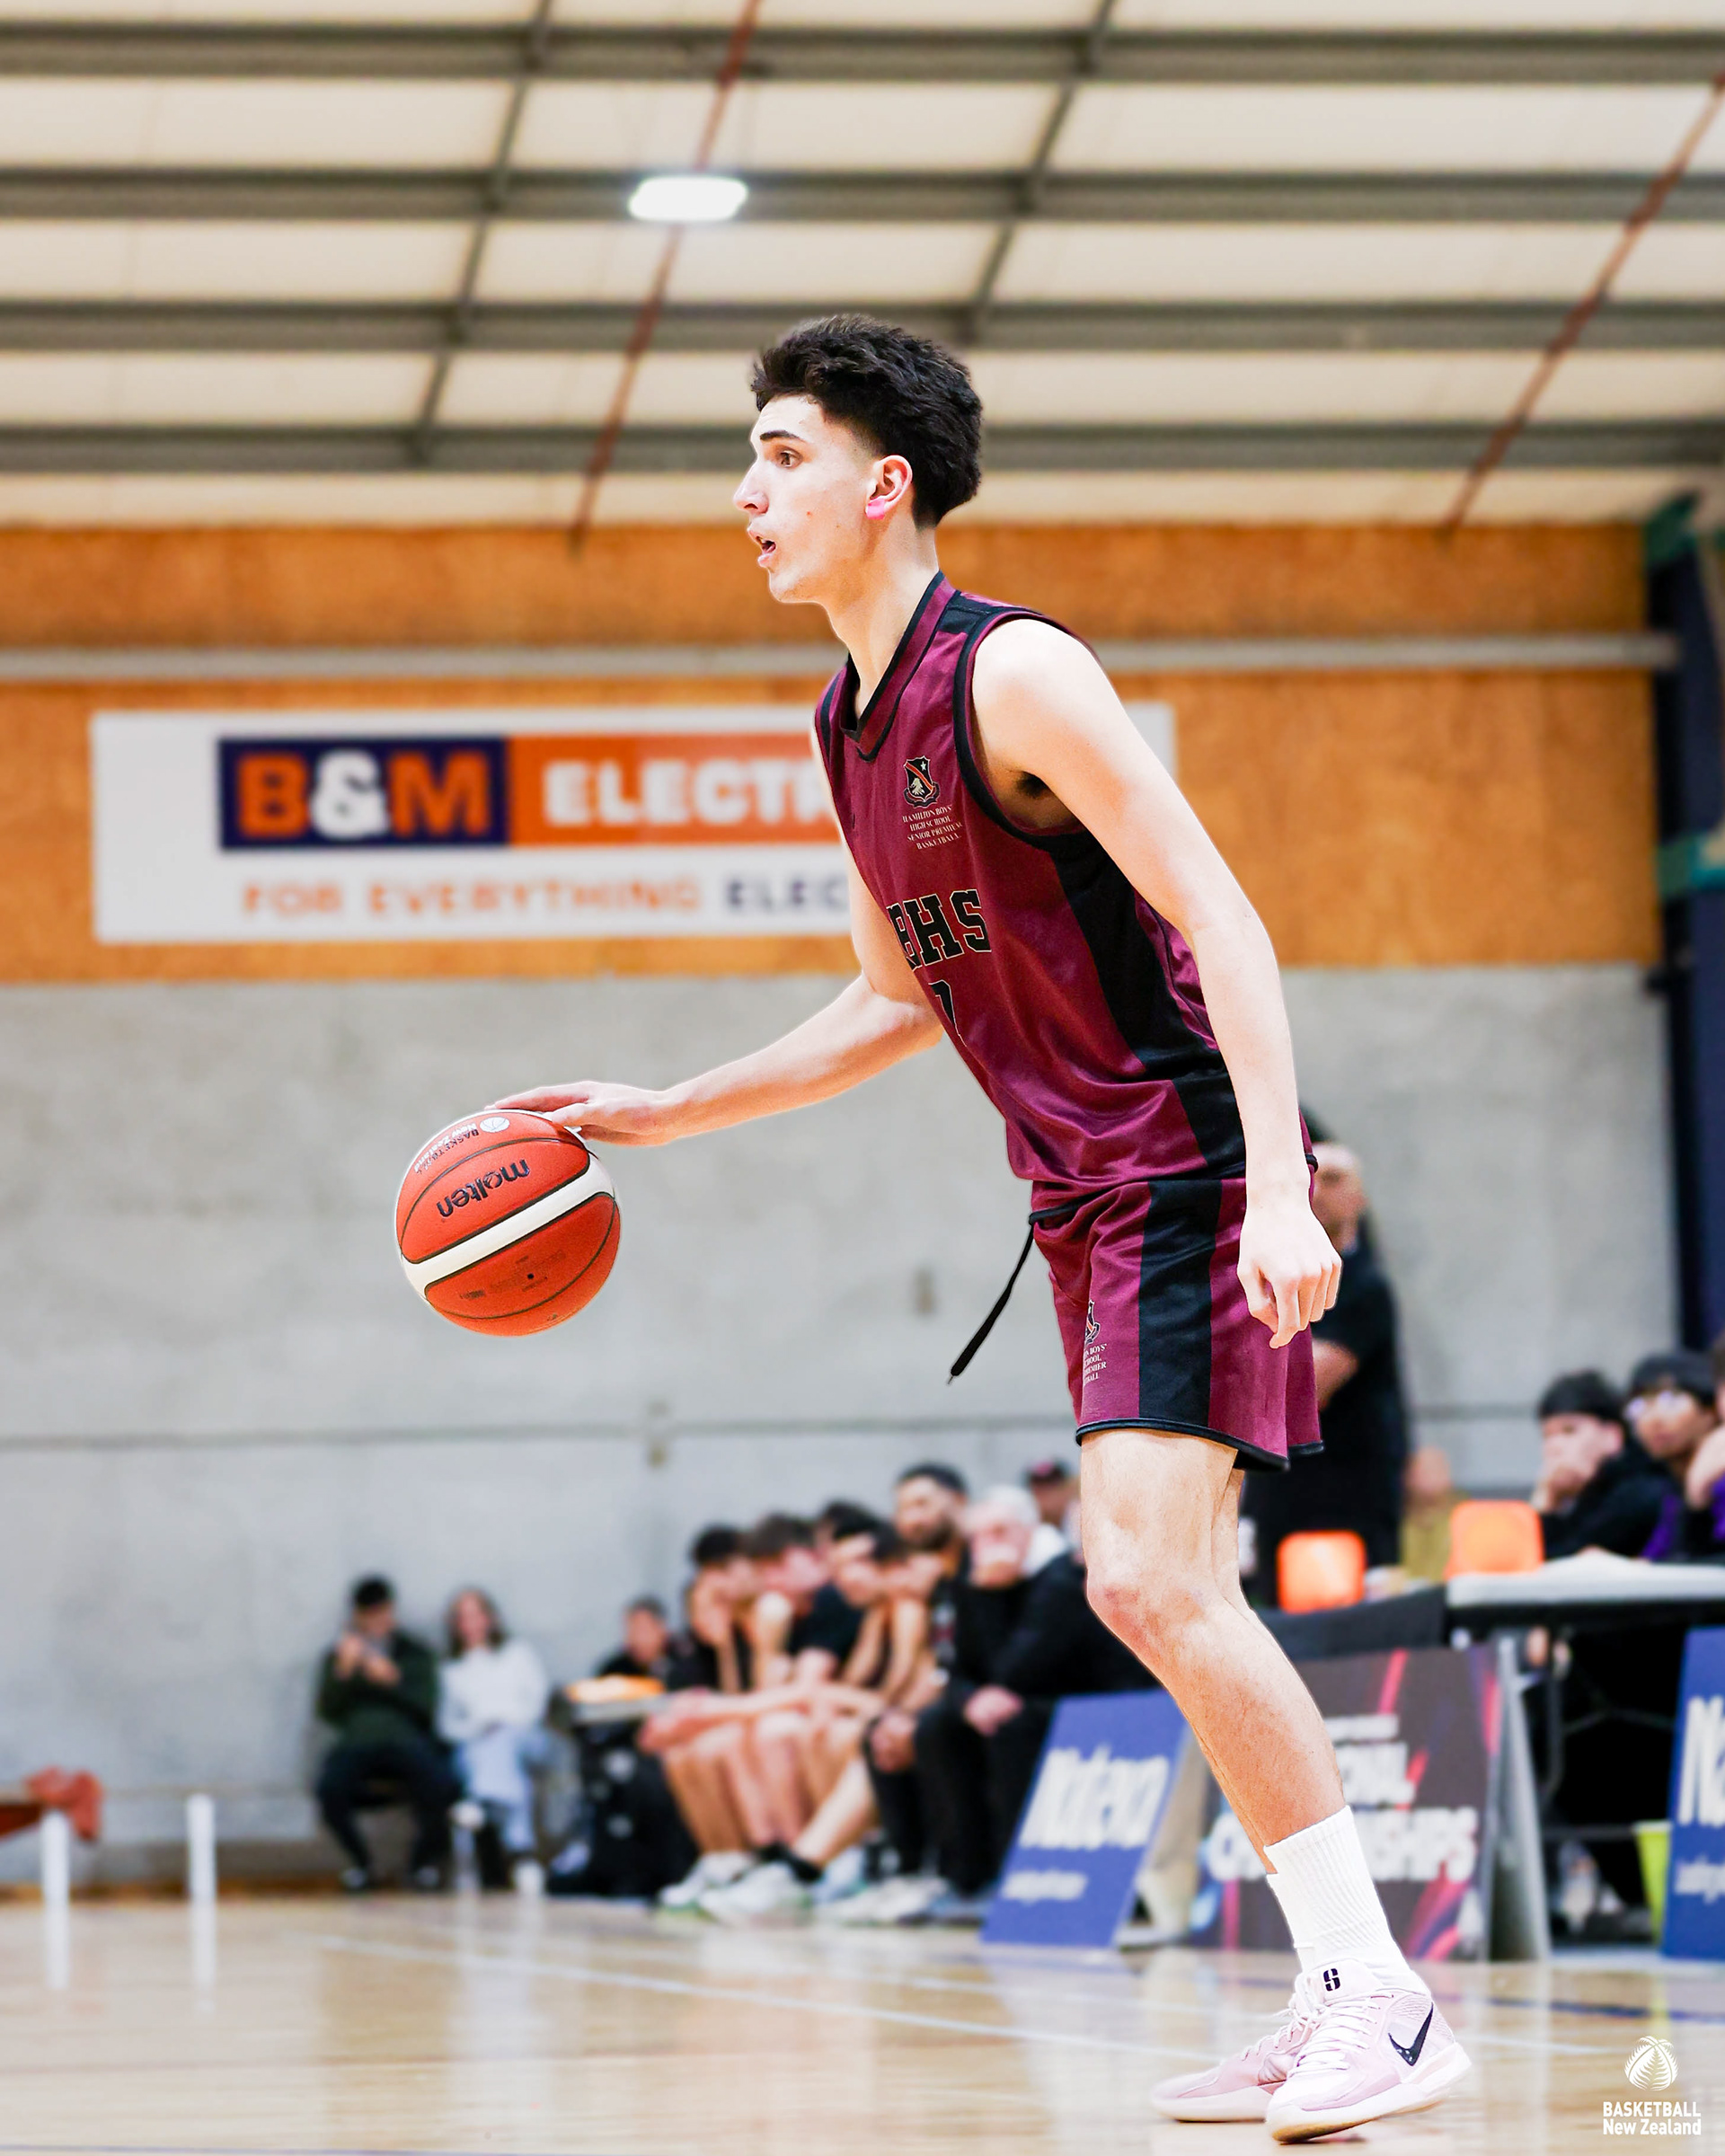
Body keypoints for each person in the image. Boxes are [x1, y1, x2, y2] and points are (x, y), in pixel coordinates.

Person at [491, 313, 1466, 2137]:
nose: (747, 490)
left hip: (1175, 1163)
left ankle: (1379, 1999)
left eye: (780, 454)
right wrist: (670, 1108)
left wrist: (1275, 1179)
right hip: (1080, 1196)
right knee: (1166, 1591)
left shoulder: (1015, 673)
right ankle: (1344, 1991)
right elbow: (895, 1000)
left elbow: (1224, 917)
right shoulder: (844, 724)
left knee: (1148, 1582)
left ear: (884, 486)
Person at [1242, 1143, 1410, 1604]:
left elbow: (1302, 1385)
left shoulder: (1365, 1286)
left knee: (1353, 1628)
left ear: (1360, 1198)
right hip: (1280, 1489)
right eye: (1311, 1176)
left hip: (1350, 1496)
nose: (1317, 1189)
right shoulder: (1273, 1280)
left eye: (1334, 1179)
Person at [314, 1575, 457, 1893]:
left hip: (405, 1739)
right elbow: (327, 1711)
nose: (376, 1621)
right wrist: (343, 1673)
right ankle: (362, 1865)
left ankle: (421, 1864)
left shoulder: (414, 1653)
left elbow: (426, 1707)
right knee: (329, 1789)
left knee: (442, 1784)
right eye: (368, 1615)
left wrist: (393, 1682)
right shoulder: (341, 1656)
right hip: (357, 1742)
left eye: (381, 1613)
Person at [438, 1587, 551, 1888]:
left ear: (490, 1617)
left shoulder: (517, 1654)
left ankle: (481, 1804)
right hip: (478, 1745)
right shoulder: (452, 1670)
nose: (471, 1624)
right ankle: (521, 1851)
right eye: (463, 1618)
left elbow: (537, 1703)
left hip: (524, 1737)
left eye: (476, 1615)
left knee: (501, 1746)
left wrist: (504, 1722)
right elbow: (447, 1725)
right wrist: (478, 1727)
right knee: (501, 1764)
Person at [1531, 1373, 1670, 1560]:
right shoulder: (1586, 1498)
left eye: (1569, 1431)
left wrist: (1546, 1507)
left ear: (1612, 1435)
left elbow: (1565, 1560)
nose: (1555, 1446)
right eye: (1547, 1436)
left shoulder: (1639, 1492)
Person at [1629, 1349, 1725, 1562]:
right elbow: (1659, 1557)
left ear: (1710, 1410)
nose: (1653, 1419)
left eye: (1669, 1402)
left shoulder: (1719, 1473)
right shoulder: (1671, 1485)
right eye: (1639, 1406)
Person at [1399, 1447, 1456, 1585]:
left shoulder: (1462, 1519)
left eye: (1435, 1470)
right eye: (1422, 1472)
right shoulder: (1401, 1523)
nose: (1430, 1477)